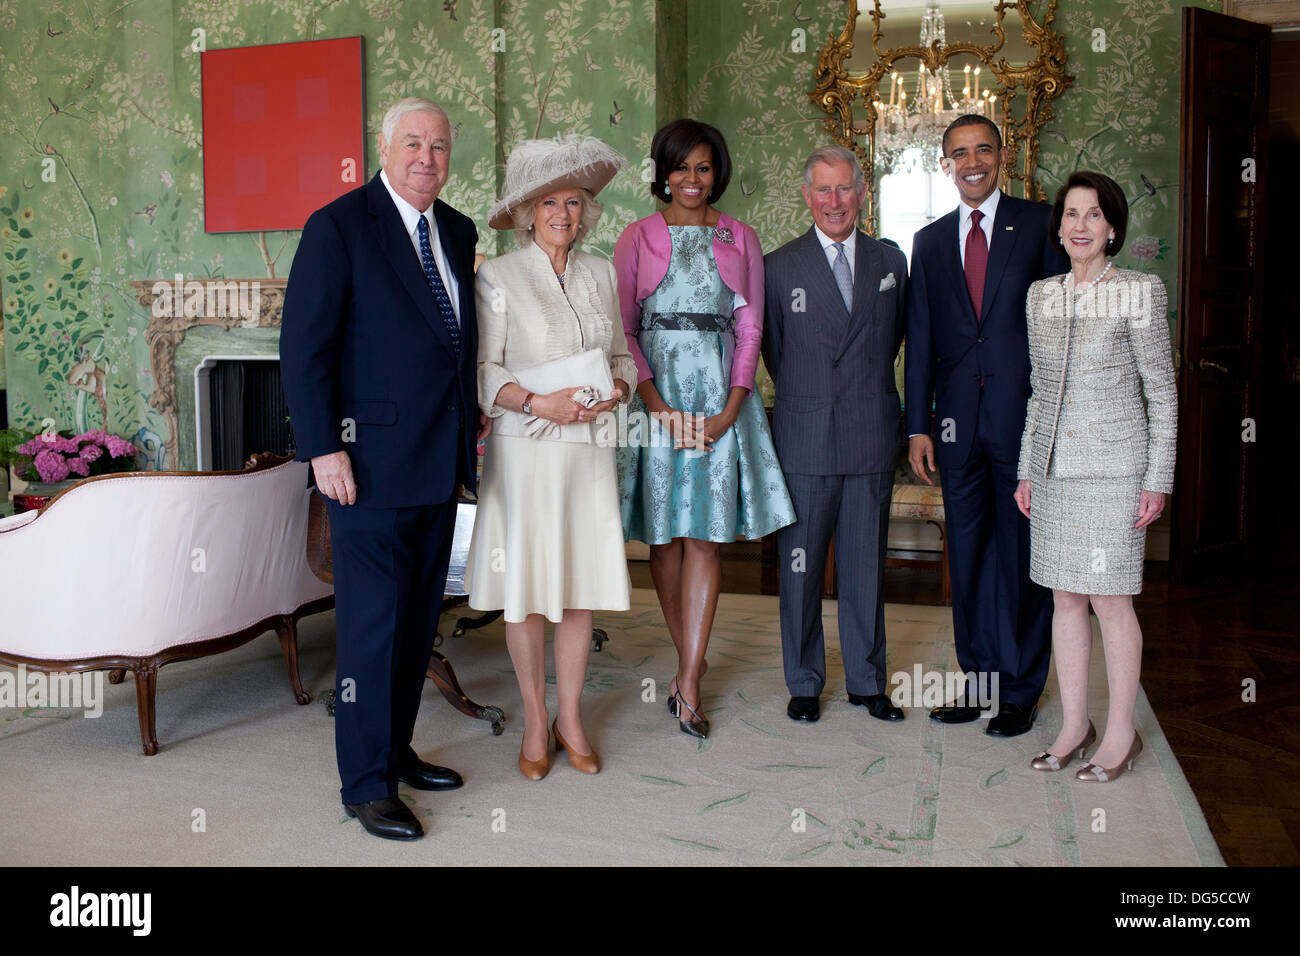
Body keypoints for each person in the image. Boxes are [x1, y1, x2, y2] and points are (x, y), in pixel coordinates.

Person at [280, 97, 488, 841]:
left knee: (414, 625)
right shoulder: (338, 227)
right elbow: (306, 350)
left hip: (440, 462)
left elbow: (455, 343)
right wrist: (324, 449)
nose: (426, 157)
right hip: (363, 466)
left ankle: (396, 752)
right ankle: (365, 784)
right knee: (371, 630)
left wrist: (473, 419)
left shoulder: (457, 231)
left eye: (437, 145)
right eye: (412, 143)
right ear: (382, 146)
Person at [615, 118, 795, 739]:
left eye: (704, 167)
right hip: (656, 397)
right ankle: (687, 655)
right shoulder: (636, 236)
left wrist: (732, 406)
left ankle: (688, 677)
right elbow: (624, 331)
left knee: (704, 538)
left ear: (717, 172)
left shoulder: (739, 235)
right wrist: (656, 404)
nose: (693, 179)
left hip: (720, 397)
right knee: (663, 539)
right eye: (681, 167)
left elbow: (751, 329)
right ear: (663, 173)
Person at [465, 135, 635, 780]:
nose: (563, 213)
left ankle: (572, 717)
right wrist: (539, 403)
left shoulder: (600, 272)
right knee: (530, 593)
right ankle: (536, 718)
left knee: (578, 588)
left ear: (585, 211)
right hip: (527, 452)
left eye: (573, 201)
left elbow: (620, 356)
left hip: (587, 450)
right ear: (527, 212)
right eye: (548, 202)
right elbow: (483, 371)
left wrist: (616, 390)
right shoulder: (498, 276)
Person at [904, 114, 1069, 737]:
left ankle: (1022, 690)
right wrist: (918, 425)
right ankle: (976, 683)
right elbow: (919, 341)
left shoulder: (1038, 225)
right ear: (945, 164)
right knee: (968, 556)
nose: (972, 162)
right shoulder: (929, 240)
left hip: (1024, 421)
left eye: (983, 149)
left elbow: (1060, 325)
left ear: (1002, 155)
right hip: (954, 428)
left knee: (1023, 557)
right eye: (958, 153)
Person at [1015, 170, 1176, 781]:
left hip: (1115, 471)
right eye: (1071, 214)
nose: (1079, 225)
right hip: (1054, 472)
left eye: (1093, 215)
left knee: (1110, 599)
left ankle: (1120, 734)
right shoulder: (1042, 295)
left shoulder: (1138, 290)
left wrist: (1156, 476)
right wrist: (1030, 469)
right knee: (1063, 597)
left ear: (1112, 227)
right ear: (1059, 226)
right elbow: (1038, 392)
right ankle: (1074, 725)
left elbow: (1161, 390)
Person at [762, 145, 909, 725]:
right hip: (805, 435)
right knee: (799, 565)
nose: (834, 201)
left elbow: (896, 340)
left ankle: (868, 682)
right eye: (823, 190)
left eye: (845, 188)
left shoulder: (891, 262)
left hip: (870, 431)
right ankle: (803, 681)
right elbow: (774, 351)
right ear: (807, 196)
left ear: (862, 192)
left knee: (864, 564)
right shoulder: (779, 267)